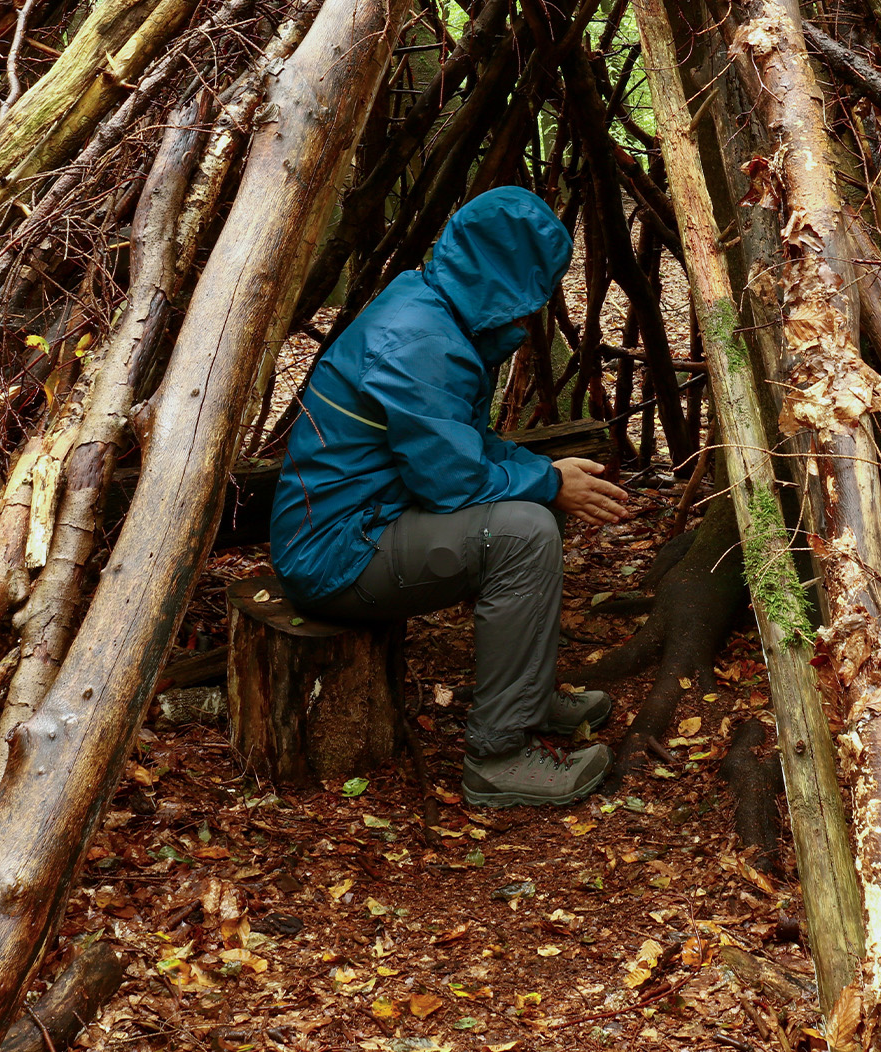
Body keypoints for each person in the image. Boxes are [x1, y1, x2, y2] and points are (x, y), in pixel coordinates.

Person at [269, 186, 630, 807]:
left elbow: (462, 443)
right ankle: (498, 759)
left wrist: (544, 472)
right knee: (523, 532)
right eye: (528, 291)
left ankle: (528, 696)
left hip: (372, 521)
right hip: (336, 553)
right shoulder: (421, 340)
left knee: (533, 509)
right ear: (501, 276)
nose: (531, 313)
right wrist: (547, 481)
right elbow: (453, 482)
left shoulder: (439, 312)